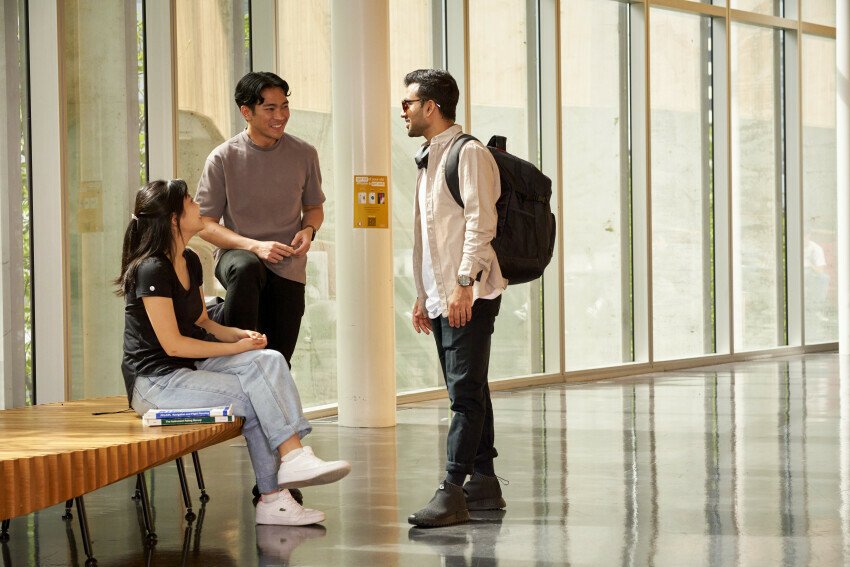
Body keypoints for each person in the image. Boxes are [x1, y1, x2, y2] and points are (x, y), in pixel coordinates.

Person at [117, 179, 350, 526]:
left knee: (268, 360)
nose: (199, 207)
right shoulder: (151, 269)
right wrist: (233, 348)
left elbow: (201, 321)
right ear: (173, 219)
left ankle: (289, 466)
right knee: (258, 395)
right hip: (154, 384)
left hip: (188, 369)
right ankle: (276, 492)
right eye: (191, 203)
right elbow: (173, 345)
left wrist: (239, 334)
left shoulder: (189, 260)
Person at [401, 69, 508, 528]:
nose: (402, 111)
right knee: (470, 387)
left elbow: (481, 224)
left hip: (471, 292)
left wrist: (465, 282)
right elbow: (428, 238)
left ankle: (451, 490)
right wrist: (424, 296)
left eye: (408, 103)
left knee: (463, 395)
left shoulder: (470, 154)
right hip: (445, 296)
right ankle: (483, 481)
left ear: (431, 107)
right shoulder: (429, 159)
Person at [195, 71, 324, 366]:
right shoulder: (223, 157)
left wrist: (308, 229)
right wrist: (254, 246)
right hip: (237, 258)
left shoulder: (304, 154)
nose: (280, 115)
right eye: (270, 108)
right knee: (247, 266)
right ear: (246, 112)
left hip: (287, 264)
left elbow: (314, 207)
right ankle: (232, 359)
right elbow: (205, 224)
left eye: (284, 106)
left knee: (278, 360)